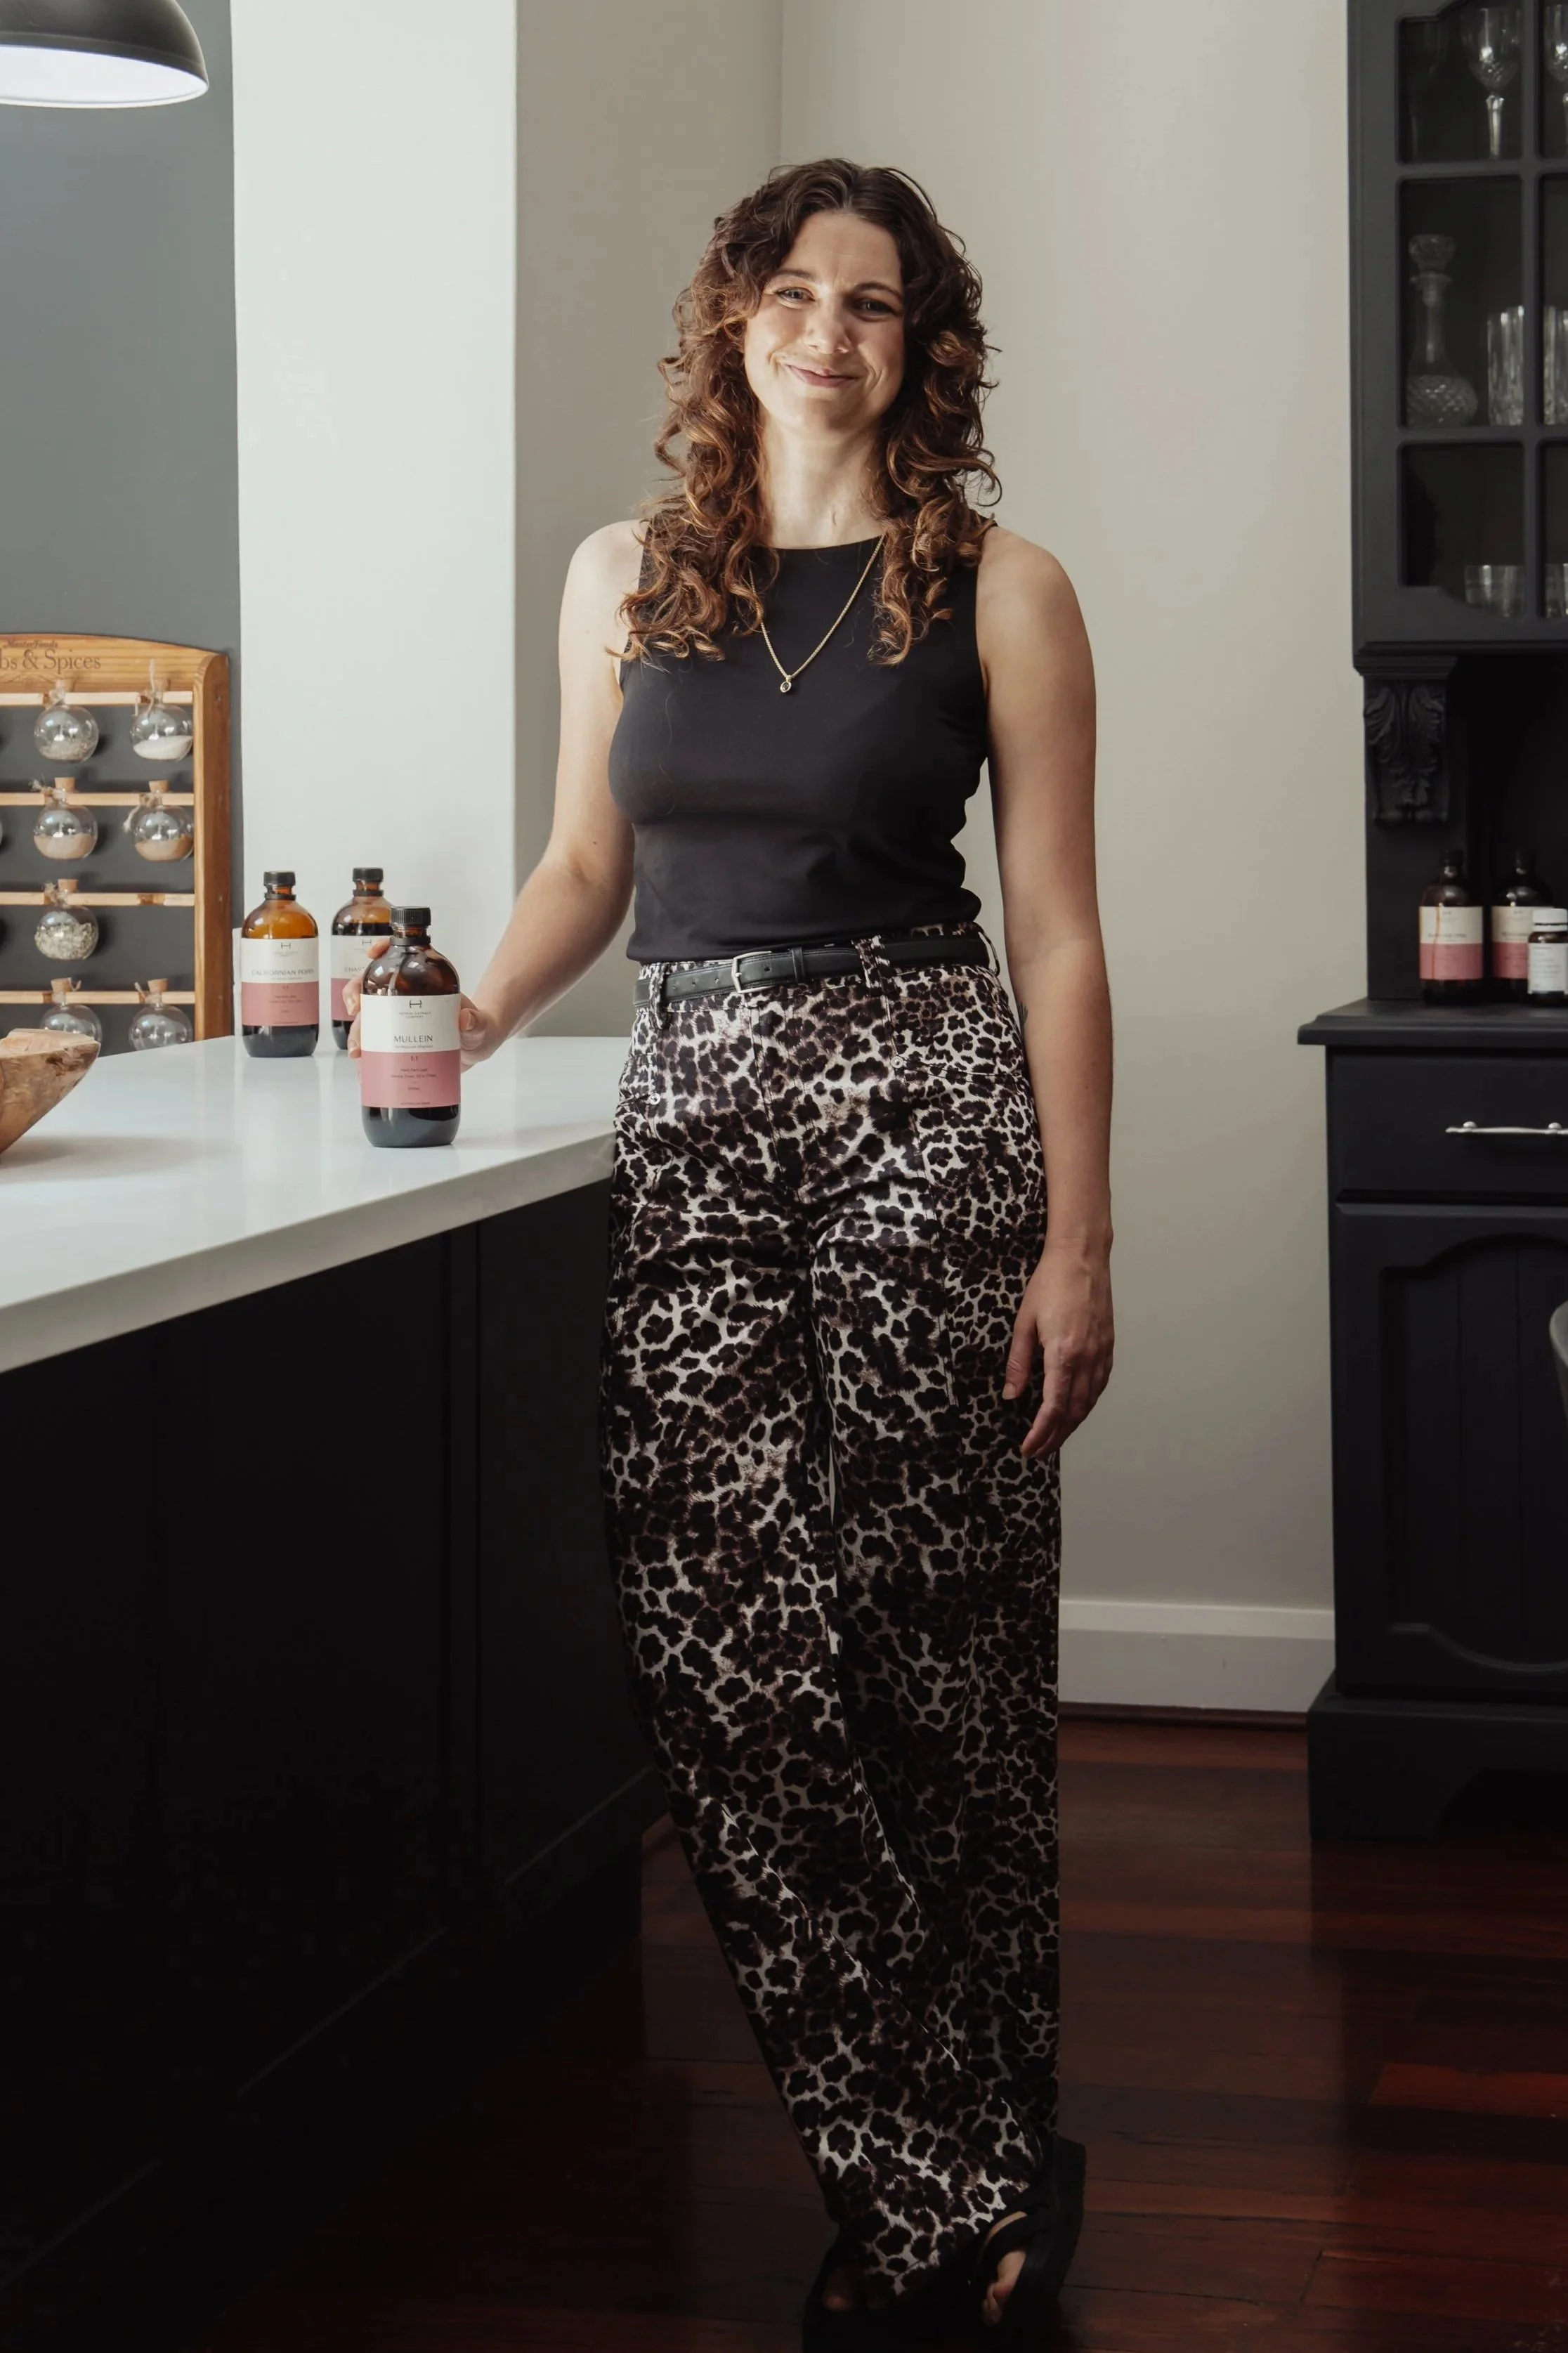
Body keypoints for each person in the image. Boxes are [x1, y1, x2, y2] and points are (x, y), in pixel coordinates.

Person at [354, 157, 1112, 2348]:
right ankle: (938, 2163)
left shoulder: (1000, 585)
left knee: (938, 1656)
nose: (828, 330)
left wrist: (1080, 1239)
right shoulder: (625, 576)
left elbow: (1058, 931)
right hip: (688, 1113)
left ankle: (989, 2151)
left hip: (924, 1106)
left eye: (873, 301)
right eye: (793, 289)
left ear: (920, 345)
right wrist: (468, 1017)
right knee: (724, 1652)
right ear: (733, 319)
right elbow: (586, 865)